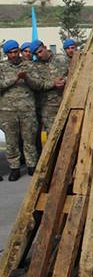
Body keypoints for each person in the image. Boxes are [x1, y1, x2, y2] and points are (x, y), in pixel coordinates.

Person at [0, 40, 39, 181]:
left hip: (27, 109)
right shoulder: (2, 67)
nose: (14, 54)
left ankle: (31, 165)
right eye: (10, 52)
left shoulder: (29, 65)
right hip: (7, 111)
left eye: (16, 51)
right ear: (6, 54)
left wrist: (26, 77)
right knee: (12, 141)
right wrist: (15, 78)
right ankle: (14, 168)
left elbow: (38, 85)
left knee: (29, 139)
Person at [26, 40, 67, 133]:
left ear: (44, 47)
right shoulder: (35, 66)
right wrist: (53, 83)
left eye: (40, 51)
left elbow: (74, 73)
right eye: (36, 54)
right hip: (48, 106)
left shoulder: (62, 59)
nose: (39, 55)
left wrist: (64, 80)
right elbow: (37, 84)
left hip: (66, 101)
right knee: (53, 134)